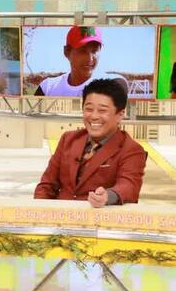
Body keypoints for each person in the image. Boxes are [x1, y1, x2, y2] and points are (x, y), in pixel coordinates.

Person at [34, 78, 146, 207]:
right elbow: (47, 185)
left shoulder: (132, 150)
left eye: (102, 111)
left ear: (120, 114)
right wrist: (38, 211)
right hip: (61, 215)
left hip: (98, 216)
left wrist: (108, 196)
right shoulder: (68, 139)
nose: (94, 116)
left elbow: (129, 186)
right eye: (89, 109)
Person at [34, 26, 127, 97]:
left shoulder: (113, 83)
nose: (90, 58)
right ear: (66, 52)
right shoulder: (47, 88)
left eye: (94, 51)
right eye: (82, 51)